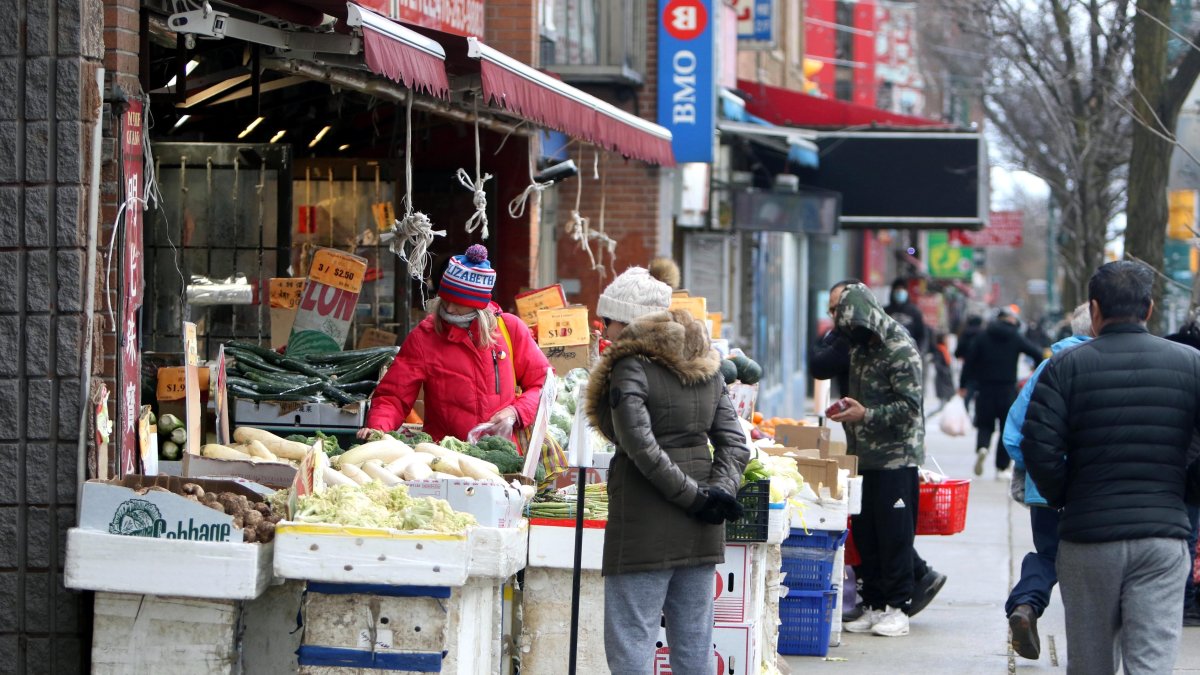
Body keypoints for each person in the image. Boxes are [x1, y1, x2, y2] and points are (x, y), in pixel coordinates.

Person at [1023, 260, 1200, 674]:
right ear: (1149, 309)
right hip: (1162, 536)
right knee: (1152, 662)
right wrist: (1187, 492)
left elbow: (1038, 446)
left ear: (1095, 308)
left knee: (1090, 663)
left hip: (1088, 538)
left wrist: (1068, 495)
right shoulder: (1192, 365)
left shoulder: (1064, 368)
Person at [585, 266, 750, 674]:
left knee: (632, 644)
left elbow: (640, 446)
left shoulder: (629, 366)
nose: (604, 328)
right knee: (694, 645)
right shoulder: (705, 362)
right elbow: (735, 442)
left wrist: (695, 497)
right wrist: (718, 494)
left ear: (630, 320)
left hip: (644, 528)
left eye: (609, 320)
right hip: (701, 530)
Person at [813, 279, 946, 623]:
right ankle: (872, 603)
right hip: (862, 453)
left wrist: (866, 414)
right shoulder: (857, 344)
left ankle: (898, 606)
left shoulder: (900, 348)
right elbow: (822, 364)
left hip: (895, 457)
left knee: (894, 534)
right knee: (866, 532)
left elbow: (910, 408)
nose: (851, 339)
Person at [361, 245, 550, 442]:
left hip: (504, 454)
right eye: (445, 299)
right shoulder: (424, 337)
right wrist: (377, 428)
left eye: (458, 302)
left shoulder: (510, 329)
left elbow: (544, 385)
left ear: (478, 304)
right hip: (447, 457)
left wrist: (516, 411)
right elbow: (393, 396)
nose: (449, 309)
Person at [1001, 303, 1092, 660]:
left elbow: (1013, 435)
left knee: (1049, 554)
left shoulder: (1046, 368)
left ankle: (1026, 603)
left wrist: (1040, 470)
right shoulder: (1103, 368)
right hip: (1094, 488)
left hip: (1044, 489)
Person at [958, 308, 1043, 478]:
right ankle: (1001, 467)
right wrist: (1036, 370)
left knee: (984, 424)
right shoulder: (1015, 336)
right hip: (1007, 389)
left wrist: (963, 384)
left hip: (985, 389)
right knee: (1006, 427)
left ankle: (982, 447)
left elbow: (969, 362)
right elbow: (1036, 353)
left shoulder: (982, 336)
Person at [1164, 321, 1200, 627]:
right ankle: (1187, 602)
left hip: (1166, 464)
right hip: (1191, 467)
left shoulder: (1166, 355)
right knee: (1190, 535)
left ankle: (1179, 600)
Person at [884, 278, 928, 353]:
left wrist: (919, 352)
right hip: (889, 352)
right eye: (897, 290)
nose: (900, 292)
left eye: (902, 289)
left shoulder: (914, 312)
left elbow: (921, 335)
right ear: (893, 292)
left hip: (910, 352)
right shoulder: (885, 312)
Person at [955, 315, 985, 412]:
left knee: (967, 393)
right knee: (980, 396)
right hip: (982, 369)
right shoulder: (984, 334)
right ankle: (977, 416)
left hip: (968, 367)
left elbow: (958, 351)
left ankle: (965, 414)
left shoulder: (965, 333)